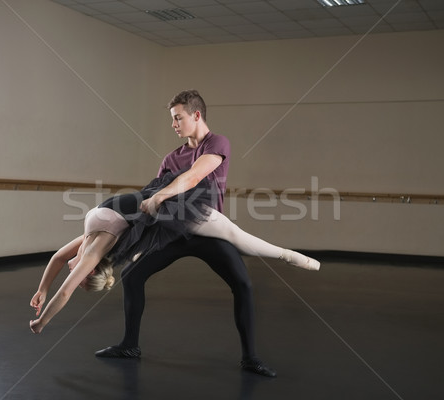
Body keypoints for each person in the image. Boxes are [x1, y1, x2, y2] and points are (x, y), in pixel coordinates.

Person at [31, 90, 320, 377]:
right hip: (169, 233)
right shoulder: (171, 158)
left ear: (196, 115)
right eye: (172, 119)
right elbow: (148, 200)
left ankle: (250, 357)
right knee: (132, 274)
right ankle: (130, 345)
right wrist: (137, 243)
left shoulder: (216, 143)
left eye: (177, 118)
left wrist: (161, 197)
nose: (174, 124)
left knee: (242, 283)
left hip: (206, 230)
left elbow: (194, 175)